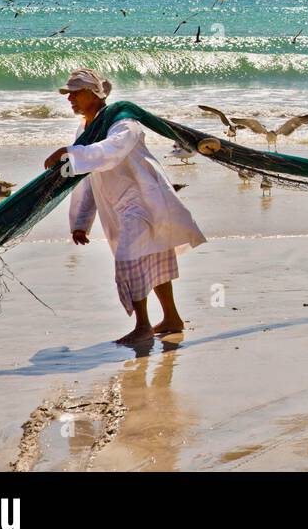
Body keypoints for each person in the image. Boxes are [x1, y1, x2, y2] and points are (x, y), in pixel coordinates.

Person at [43, 68, 206, 345]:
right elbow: (87, 176)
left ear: (94, 94)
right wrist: (81, 222)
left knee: (130, 259)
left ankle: (143, 326)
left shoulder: (123, 123)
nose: (70, 99)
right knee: (150, 256)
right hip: (118, 205)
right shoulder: (86, 129)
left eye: (76, 93)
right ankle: (172, 319)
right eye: (68, 94)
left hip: (143, 200)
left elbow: (112, 151)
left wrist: (69, 152)